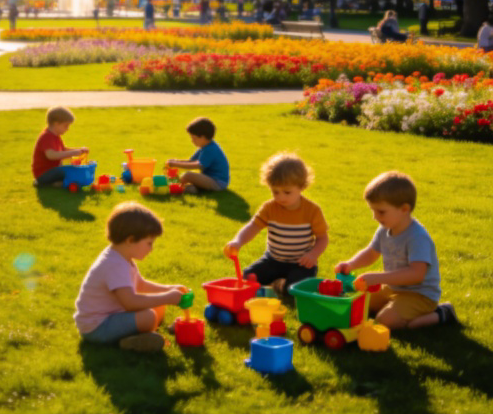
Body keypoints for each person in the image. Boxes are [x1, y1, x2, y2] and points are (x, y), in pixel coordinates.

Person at [335, 171, 456, 330]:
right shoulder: (385, 229)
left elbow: (416, 274)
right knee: (357, 302)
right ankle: (395, 307)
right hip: (394, 288)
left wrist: (379, 278)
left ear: (404, 209)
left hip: (419, 295)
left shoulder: (417, 237)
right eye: (373, 210)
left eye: (381, 212)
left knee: (386, 321)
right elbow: (371, 253)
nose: (375, 217)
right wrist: (351, 264)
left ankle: (443, 312)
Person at [74, 202, 188, 353]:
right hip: (97, 327)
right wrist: (168, 297)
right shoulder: (114, 264)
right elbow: (130, 303)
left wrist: (170, 289)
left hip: (112, 317)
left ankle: (144, 336)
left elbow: (140, 285)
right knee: (148, 316)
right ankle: (132, 341)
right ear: (130, 240)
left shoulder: (123, 257)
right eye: (149, 243)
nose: (151, 249)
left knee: (158, 304)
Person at [225, 153, 328, 296]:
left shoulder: (312, 211)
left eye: (287, 192)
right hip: (273, 260)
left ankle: (281, 285)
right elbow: (253, 226)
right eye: (275, 192)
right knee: (248, 278)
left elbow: (322, 238)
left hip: (302, 263)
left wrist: (313, 255)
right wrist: (238, 241)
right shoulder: (269, 208)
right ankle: (275, 282)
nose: (280, 197)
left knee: (294, 291)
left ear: (302, 186)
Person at [165, 116, 229, 195]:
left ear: (203, 137)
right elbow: (191, 161)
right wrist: (176, 161)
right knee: (190, 186)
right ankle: (188, 189)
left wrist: (176, 164)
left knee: (187, 175)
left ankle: (169, 186)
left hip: (218, 183)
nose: (192, 141)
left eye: (194, 138)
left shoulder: (211, 149)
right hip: (210, 179)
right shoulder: (205, 147)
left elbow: (198, 165)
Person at [31, 106, 88, 186]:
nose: (67, 129)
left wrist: (79, 150)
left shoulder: (56, 136)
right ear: (56, 124)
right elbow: (51, 155)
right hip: (43, 174)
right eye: (66, 126)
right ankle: (46, 183)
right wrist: (73, 153)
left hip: (53, 171)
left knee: (71, 170)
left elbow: (63, 150)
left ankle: (56, 183)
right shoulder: (47, 137)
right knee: (68, 172)